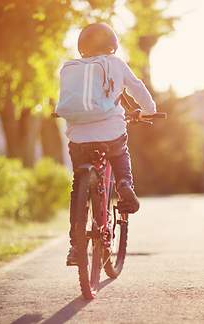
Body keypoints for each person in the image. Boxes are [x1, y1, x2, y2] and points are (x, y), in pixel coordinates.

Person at [62, 23, 156, 266]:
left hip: (78, 138)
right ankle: (124, 183)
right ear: (112, 45)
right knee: (119, 152)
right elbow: (137, 88)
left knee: (77, 188)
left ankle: (75, 246)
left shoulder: (72, 67)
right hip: (110, 132)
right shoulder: (116, 64)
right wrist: (149, 111)